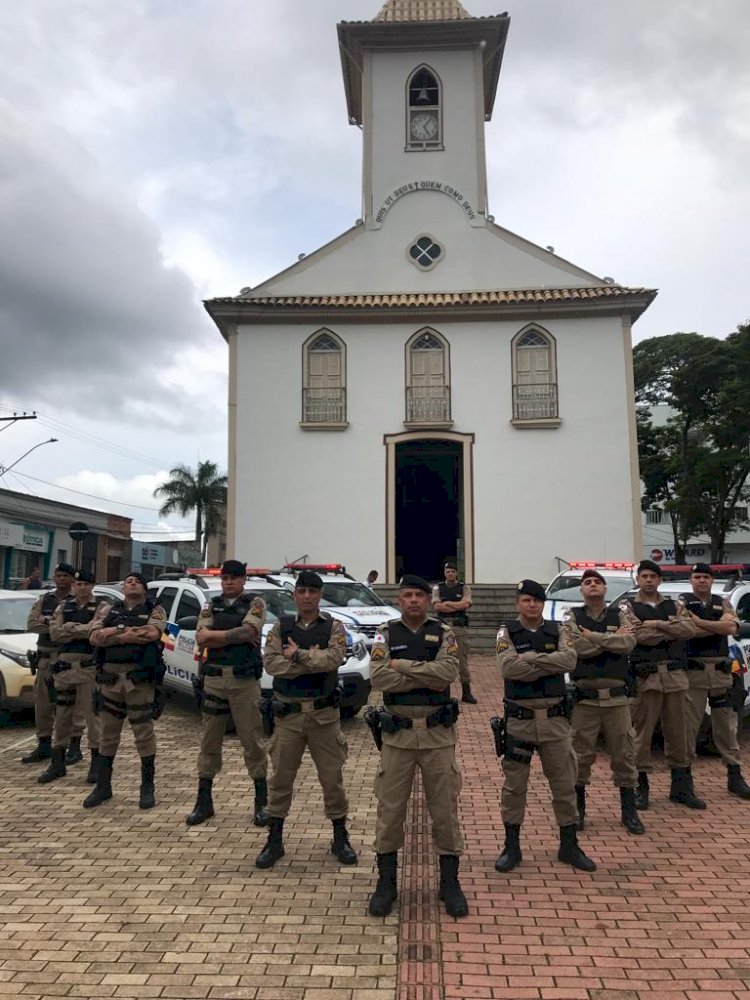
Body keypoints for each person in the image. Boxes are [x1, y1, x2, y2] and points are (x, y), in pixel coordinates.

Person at [368, 574, 467, 919]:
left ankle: (450, 883)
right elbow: (379, 677)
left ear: (428, 600)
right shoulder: (386, 633)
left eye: (419, 595)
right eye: (407, 594)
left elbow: (448, 673)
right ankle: (386, 884)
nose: (413, 600)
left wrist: (402, 666)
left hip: (438, 735)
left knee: (444, 809)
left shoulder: (444, 633)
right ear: (399, 599)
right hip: (398, 736)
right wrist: (423, 671)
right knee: (390, 809)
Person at [255, 570, 357, 869]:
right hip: (288, 717)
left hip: (324, 717)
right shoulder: (280, 626)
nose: (308, 596)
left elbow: (334, 659)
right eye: (302, 591)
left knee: (332, 781)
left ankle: (340, 838)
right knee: (280, 780)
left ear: (320, 595)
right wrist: (313, 661)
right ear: (295, 595)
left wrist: (298, 655)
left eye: (313, 591)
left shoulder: (334, 627)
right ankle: (274, 841)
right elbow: (272, 664)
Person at [495, 579, 596, 873]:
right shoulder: (507, 631)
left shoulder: (558, 630)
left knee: (564, 784)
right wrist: (546, 662)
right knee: (515, 787)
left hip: (555, 722)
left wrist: (528, 658)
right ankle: (511, 847)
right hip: (520, 721)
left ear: (542, 603)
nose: (532, 605)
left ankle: (569, 844)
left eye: (537, 600)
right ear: (518, 603)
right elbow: (507, 667)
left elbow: (569, 660)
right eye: (526, 600)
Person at [186, 559, 270, 827]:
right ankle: (204, 801)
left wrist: (216, 635)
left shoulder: (255, 603)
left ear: (243, 580)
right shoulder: (211, 605)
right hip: (214, 680)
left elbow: (250, 630)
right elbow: (201, 637)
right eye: (225, 578)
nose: (228, 582)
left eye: (234, 577)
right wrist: (231, 636)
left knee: (252, 742)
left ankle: (261, 803)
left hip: (244, 682)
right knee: (209, 742)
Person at [562, 569, 644, 834]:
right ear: (581, 590)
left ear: (605, 588)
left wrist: (593, 637)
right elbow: (576, 647)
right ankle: (579, 812)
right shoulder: (572, 616)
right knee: (580, 756)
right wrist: (611, 640)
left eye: (597, 581)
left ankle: (629, 813)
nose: (593, 585)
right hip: (585, 701)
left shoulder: (619, 614)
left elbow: (629, 642)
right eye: (587, 582)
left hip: (617, 700)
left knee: (624, 755)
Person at [622, 559, 704, 810]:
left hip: (676, 678)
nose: (648, 580)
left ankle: (681, 787)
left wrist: (657, 624)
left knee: (680, 733)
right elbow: (638, 636)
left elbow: (689, 628)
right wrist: (671, 630)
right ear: (638, 579)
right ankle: (641, 787)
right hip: (647, 679)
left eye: (653, 576)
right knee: (642, 735)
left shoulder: (674, 604)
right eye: (644, 576)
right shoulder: (628, 607)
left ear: (659, 580)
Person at [85, 573, 166, 810]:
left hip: (138, 679)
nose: (132, 584)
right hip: (110, 679)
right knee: (107, 735)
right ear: (123, 586)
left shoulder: (155, 609)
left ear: (144, 587)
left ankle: (147, 788)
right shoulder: (108, 610)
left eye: (137, 581)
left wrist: (113, 632)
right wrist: (125, 635)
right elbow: (94, 637)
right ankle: (103, 786)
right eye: (128, 581)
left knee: (143, 734)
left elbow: (151, 634)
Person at [681, 563, 750, 800]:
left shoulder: (724, 602)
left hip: (721, 672)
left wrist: (700, 622)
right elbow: (687, 631)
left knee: (727, 727)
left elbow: (731, 627)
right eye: (697, 576)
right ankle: (684, 783)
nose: (701, 580)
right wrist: (717, 627)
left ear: (712, 580)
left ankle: (735, 776)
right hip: (694, 673)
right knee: (688, 728)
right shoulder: (681, 602)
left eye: (706, 577)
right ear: (691, 579)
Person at [38, 570, 106, 786]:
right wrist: (78, 630)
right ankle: (57, 763)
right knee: (62, 716)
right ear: (74, 586)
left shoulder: (102, 607)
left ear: (92, 586)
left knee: (92, 717)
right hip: (64, 669)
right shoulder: (63, 607)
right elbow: (55, 633)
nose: (82, 587)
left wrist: (70, 627)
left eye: (86, 583)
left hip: (88, 669)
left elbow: (95, 632)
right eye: (78, 584)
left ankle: (96, 765)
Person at [21, 563, 86, 765]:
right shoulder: (45, 599)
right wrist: (60, 627)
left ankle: (73, 747)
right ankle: (44, 745)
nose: (61, 579)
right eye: (58, 575)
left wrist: (50, 623)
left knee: (72, 706)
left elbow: (82, 630)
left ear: (72, 579)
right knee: (43, 704)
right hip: (45, 659)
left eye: (65, 576)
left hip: (68, 660)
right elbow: (32, 624)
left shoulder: (77, 602)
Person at [432, 561, 476, 704]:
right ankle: (442, 692)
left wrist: (447, 604)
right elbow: (437, 606)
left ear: (456, 573)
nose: (450, 574)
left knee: (462, 661)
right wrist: (455, 605)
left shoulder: (464, 588)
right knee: (441, 659)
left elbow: (466, 604)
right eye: (448, 571)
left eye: (453, 571)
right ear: (444, 573)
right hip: (443, 628)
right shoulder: (438, 588)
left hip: (459, 628)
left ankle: (466, 693)